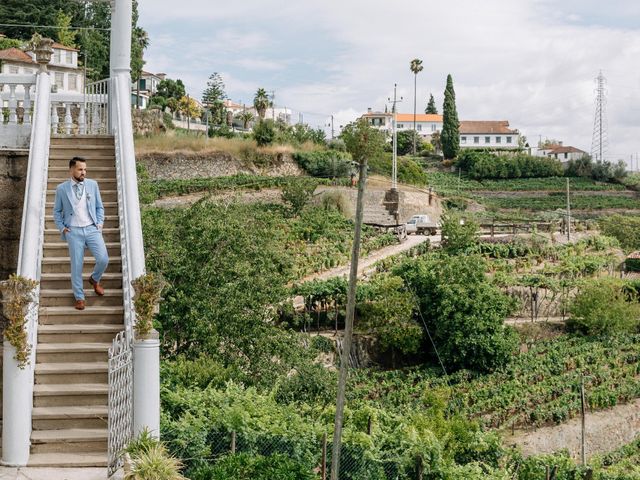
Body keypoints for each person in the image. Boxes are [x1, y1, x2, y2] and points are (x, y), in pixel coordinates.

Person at [53, 156, 109, 310]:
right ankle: (79, 297)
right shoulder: (61, 189)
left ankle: (94, 279)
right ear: (71, 169)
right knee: (77, 265)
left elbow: (99, 207)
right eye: (80, 169)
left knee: (103, 259)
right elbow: (57, 211)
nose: (83, 172)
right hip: (73, 231)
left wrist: (99, 223)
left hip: (92, 228)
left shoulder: (92, 185)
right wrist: (62, 228)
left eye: (85, 169)